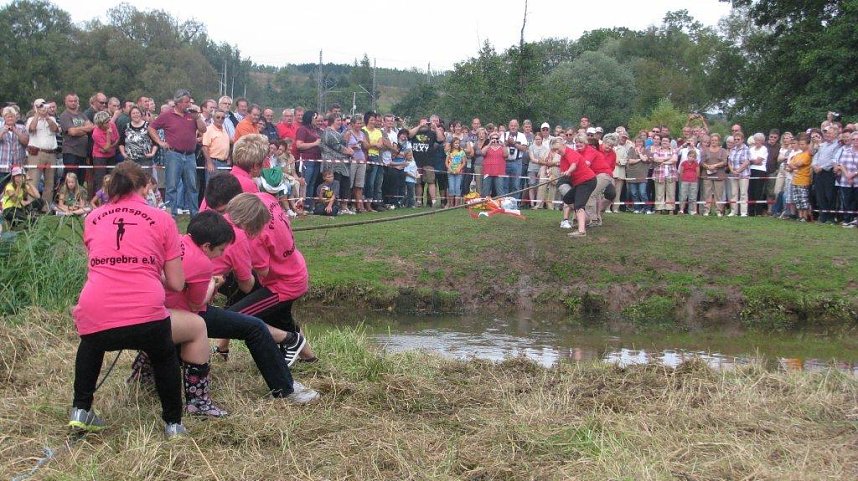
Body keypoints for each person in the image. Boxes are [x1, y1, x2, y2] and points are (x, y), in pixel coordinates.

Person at [69, 161, 188, 437]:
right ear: (144, 187)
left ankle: (80, 409)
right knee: (164, 354)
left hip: (96, 306)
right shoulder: (162, 219)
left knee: (91, 343)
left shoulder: (93, 217)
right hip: (146, 311)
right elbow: (177, 283)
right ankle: (173, 423)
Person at [148, 89, 207, 217]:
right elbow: (151, 127)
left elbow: (204, 129)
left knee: (192, 186)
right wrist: (160, 142)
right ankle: (170, 215)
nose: (188, 105)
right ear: (178, 103)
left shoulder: (191, 115)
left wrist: (198, 118)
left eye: (189, 102)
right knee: (171, 187)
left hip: (190, 155)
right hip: (174, 154)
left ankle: (195, 214)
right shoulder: (167, 115)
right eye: (186, 102)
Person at [551, 136, 597, 237]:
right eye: (555, 150)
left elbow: (573, 165)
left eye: (558, 148)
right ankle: (586, 218)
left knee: (579, 205)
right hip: (579, 183)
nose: (557, 151)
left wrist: (569, 171)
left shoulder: (570, 152)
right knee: (568, 199)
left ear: (563, 145)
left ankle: (581, 231)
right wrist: (564, 173)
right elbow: (564, 170)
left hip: (587, 181)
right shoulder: (563, 158)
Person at [25, 99, 59, 211]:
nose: (42, 108)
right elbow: (32, 128)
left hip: (51, 154)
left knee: (50, 183)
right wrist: (37, 114)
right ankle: (32, 207)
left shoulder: (52, 118)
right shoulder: (31, 119)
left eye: (43, 106)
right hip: (36, 153)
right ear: (35, 107)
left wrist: (47, 117)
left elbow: (55, 129)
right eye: (39, 106)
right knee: (33, 181)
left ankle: (46, 208)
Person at [320, 113, 353, 214]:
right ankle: (334, 207)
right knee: (335, 186)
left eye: (340, 120)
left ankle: (344, 207)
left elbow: (342, 142)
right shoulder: (328, 132)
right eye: (337, 120)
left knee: (345, 185)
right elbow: (337, 146)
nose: (340, 122)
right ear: (332, 121)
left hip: (343, 165)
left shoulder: (338, 133)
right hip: (332, 165)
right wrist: (348, 151)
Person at [295, 110, 323, 212]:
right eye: (315, 118)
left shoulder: (315, 130)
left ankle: (309, 205)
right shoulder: (303, 129)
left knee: (312, 183)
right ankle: (301, 205)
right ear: (310, 118)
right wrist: (315, 144)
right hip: (307, 160)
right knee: (305, 183)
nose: (317, 120)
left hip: (316, 159)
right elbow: (299, 145)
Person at [119, 106, 157, 171]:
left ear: (141, 114)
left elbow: (155, 142)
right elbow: (121, 143)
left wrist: (152, 153)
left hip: (145, 159)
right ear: (130, 115)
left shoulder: (148, 126)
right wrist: (124, 154)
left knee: (145, 179)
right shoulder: (126, 127)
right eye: (133, 113)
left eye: (137, 113)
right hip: (130, 160)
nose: (135, 115)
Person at [90, 111, 119, 195]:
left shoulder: (112, 125)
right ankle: (99, 200)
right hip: (99, 157)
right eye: (106, 122)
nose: (108, 124)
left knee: (112, 177)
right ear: (100, 125)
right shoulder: (96, 133)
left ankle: (112, 197)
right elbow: (106, 147)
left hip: (111, 155)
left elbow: (117, 139)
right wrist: (108, 135)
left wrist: (110, 147)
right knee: (100, 179)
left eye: (108, 121)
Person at [787, 133, 813, 222]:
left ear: (807, 144)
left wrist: (794, 166)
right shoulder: (797, 154)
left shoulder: (808, 155)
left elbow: (799, 164)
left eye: (803, 144)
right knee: (797, 200)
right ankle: (800, 215)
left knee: (803, 200)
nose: (801, 146)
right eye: (800, 144)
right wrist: (794, 166)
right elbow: (790, 164)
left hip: (804, 180)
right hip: (795, 180)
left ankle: (805, 216)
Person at [344, 116, 368, 213]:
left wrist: (363, 142)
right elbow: (344, 146)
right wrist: (353, 146)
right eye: (357, 123)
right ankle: (346, 205)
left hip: (361, 160)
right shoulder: (348, 133)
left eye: (360, 123)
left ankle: (359, 205)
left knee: (359, 184)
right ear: (352, 124)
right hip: (352, 160)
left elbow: (366, 146)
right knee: (349, 184)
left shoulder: (362, 133)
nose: (359, 125)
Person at [700, 134, 728, 216]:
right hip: (707, 174)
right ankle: (706, 210)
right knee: (707, 193)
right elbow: (701, 162)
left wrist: (715, 166)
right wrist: (707, 166)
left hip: (719, 175)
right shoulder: (705, 150)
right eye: (712, 140)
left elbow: (724, 162)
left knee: (718, 194)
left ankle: (718, 210)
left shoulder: (723, 150)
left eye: (715, 140)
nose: (714, 142)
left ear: (718, 141)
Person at [0, 105, 28, 189]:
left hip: (18, 167)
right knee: (2, 190)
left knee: (18, 190)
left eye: (12, 116)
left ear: (15, 117)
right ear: (4, 117)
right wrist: (2, 132)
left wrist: (16, 132)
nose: (10, 119)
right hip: (3, 167)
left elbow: (26, 142)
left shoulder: (22, 128)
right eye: (8, 117)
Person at [834, 131, 858, 227]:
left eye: (857, 139)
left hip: (856, 181)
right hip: (845, 181)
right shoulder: (846, 151)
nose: (855, 141)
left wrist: (853, 175)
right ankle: (847, 219)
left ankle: (855, 220)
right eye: (854, 139)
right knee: (846, 201)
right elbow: (841, 164)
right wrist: (847, 174)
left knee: (856, 201)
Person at [651, 136, 677, 214]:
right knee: (659, 192)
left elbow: (674, 160)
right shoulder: (657, 150)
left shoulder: (673, 150)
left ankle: (670, 209)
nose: (665, 142)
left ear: (669, 143)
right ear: (661, 142)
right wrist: (668, 158)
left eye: (666, 141)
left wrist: (663, 162)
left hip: (671, 174)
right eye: (663, 141)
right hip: (659, 174)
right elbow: (655, 159)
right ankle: (659, 209)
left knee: (671, 193)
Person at [727, 133, 751, 216]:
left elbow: (747, 162)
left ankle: (743, 212)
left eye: (738, 139)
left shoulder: (746, 149)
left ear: (742, 140)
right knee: (733, 193)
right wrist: (732, 171)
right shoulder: (732, 149)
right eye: (735, 139)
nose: (736, 141)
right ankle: (733, 211)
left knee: (743, 193)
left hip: (743, 174)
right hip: (733, 175)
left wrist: (738, 171)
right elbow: (729, 161)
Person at [625, 137, 649, 213]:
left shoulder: (646, 151)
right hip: (632, 175)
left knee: (643, 193)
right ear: (635, 143)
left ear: (643, 143)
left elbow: (645, 159)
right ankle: (637, 208)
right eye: (637, 142)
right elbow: (630, 161)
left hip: (642, 175)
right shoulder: (631, 150)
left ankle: (647, 208)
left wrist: (639, 153)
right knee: (634, 193)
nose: (639, 143)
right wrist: (639, 159)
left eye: (641, 142)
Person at [480, 132, 506, 198]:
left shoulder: (502, 147)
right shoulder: (487, 147)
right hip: (488, 171)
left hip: (499, 171)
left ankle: (500, 205)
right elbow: (482, 153)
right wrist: (489, 144)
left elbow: (506, 155)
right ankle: (484, 204)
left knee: (500, 190)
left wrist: (503, 145)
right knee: (486, 190)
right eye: (493, 138)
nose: (495, 140)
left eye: (496, 138)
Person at [677, 149, 700, 215]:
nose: (691, 158)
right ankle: (681, 210)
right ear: (687, 156)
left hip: (694, 182)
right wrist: (684, 178)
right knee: (683, 196)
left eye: (693, 157)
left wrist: (694, 178)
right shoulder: (683, 163)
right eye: (690, 156)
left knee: (693, 196)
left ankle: (694, 211)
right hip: (684, 181)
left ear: (695, 158)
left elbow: (698, 173)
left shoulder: (696, 164)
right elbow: (681, 172)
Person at [445, 138, 467, 207]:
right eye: (455, 143)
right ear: (452, 144)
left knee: (457, 188)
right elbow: (446, 162)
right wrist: (449, 169)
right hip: (450, 173)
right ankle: (451, 204)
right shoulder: (449, 152)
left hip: (458, 173)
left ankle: (456, 205)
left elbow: (464, 162)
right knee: (451, 188)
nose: (457, 144)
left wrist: (459, 168)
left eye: (458, 143)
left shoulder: (462, 152)